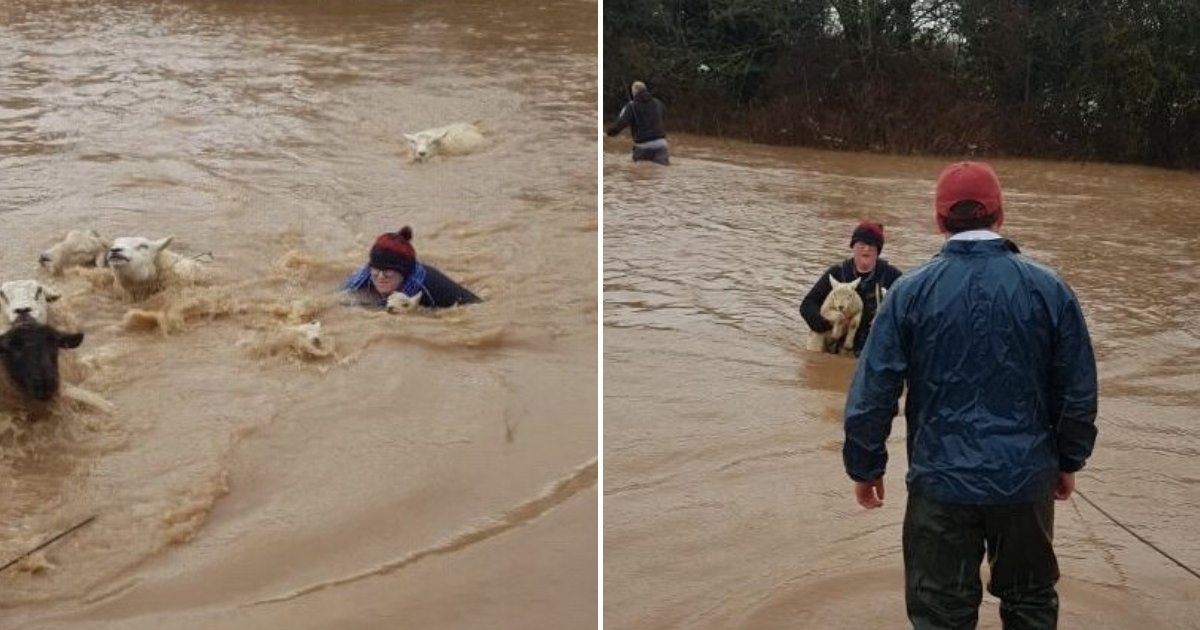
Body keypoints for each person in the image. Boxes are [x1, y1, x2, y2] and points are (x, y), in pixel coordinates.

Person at [843, 161, 1099, 629]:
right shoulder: (1050, 289)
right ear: (1000, 215)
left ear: (940, 221)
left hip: (940, 484)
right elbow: (1077, 390)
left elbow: (874, 391)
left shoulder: (908, 293)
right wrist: (1068, 461)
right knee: (1031, 603)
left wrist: (865, 466)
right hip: (1025, 481)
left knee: (941, 615)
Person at [799, 221, 903, 356]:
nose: (866, 249)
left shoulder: (891, 276)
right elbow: (807, 305)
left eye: (871, 245)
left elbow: (912, 308)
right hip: (837, 342)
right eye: (861, 244)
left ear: (878, 250)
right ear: (853, 247)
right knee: (817, 337)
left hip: (872, 345)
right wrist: (829, 323)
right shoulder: (837, 273)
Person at [341, 226, 480, 310]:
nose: (380, 276)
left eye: (388, 271)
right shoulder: (365, 275)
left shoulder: (425, 284)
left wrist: (416, 313)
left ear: (404, 273)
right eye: (376, 269)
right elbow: (340, 298)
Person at [605, 80, 669, 165]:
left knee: (639, 175)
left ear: (634, 92)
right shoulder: (657, 102)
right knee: (661, 174)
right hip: (661, 145)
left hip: (643, 146)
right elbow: (663, 115)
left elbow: (621, 123)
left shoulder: (631, 106)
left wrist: (608, 133)